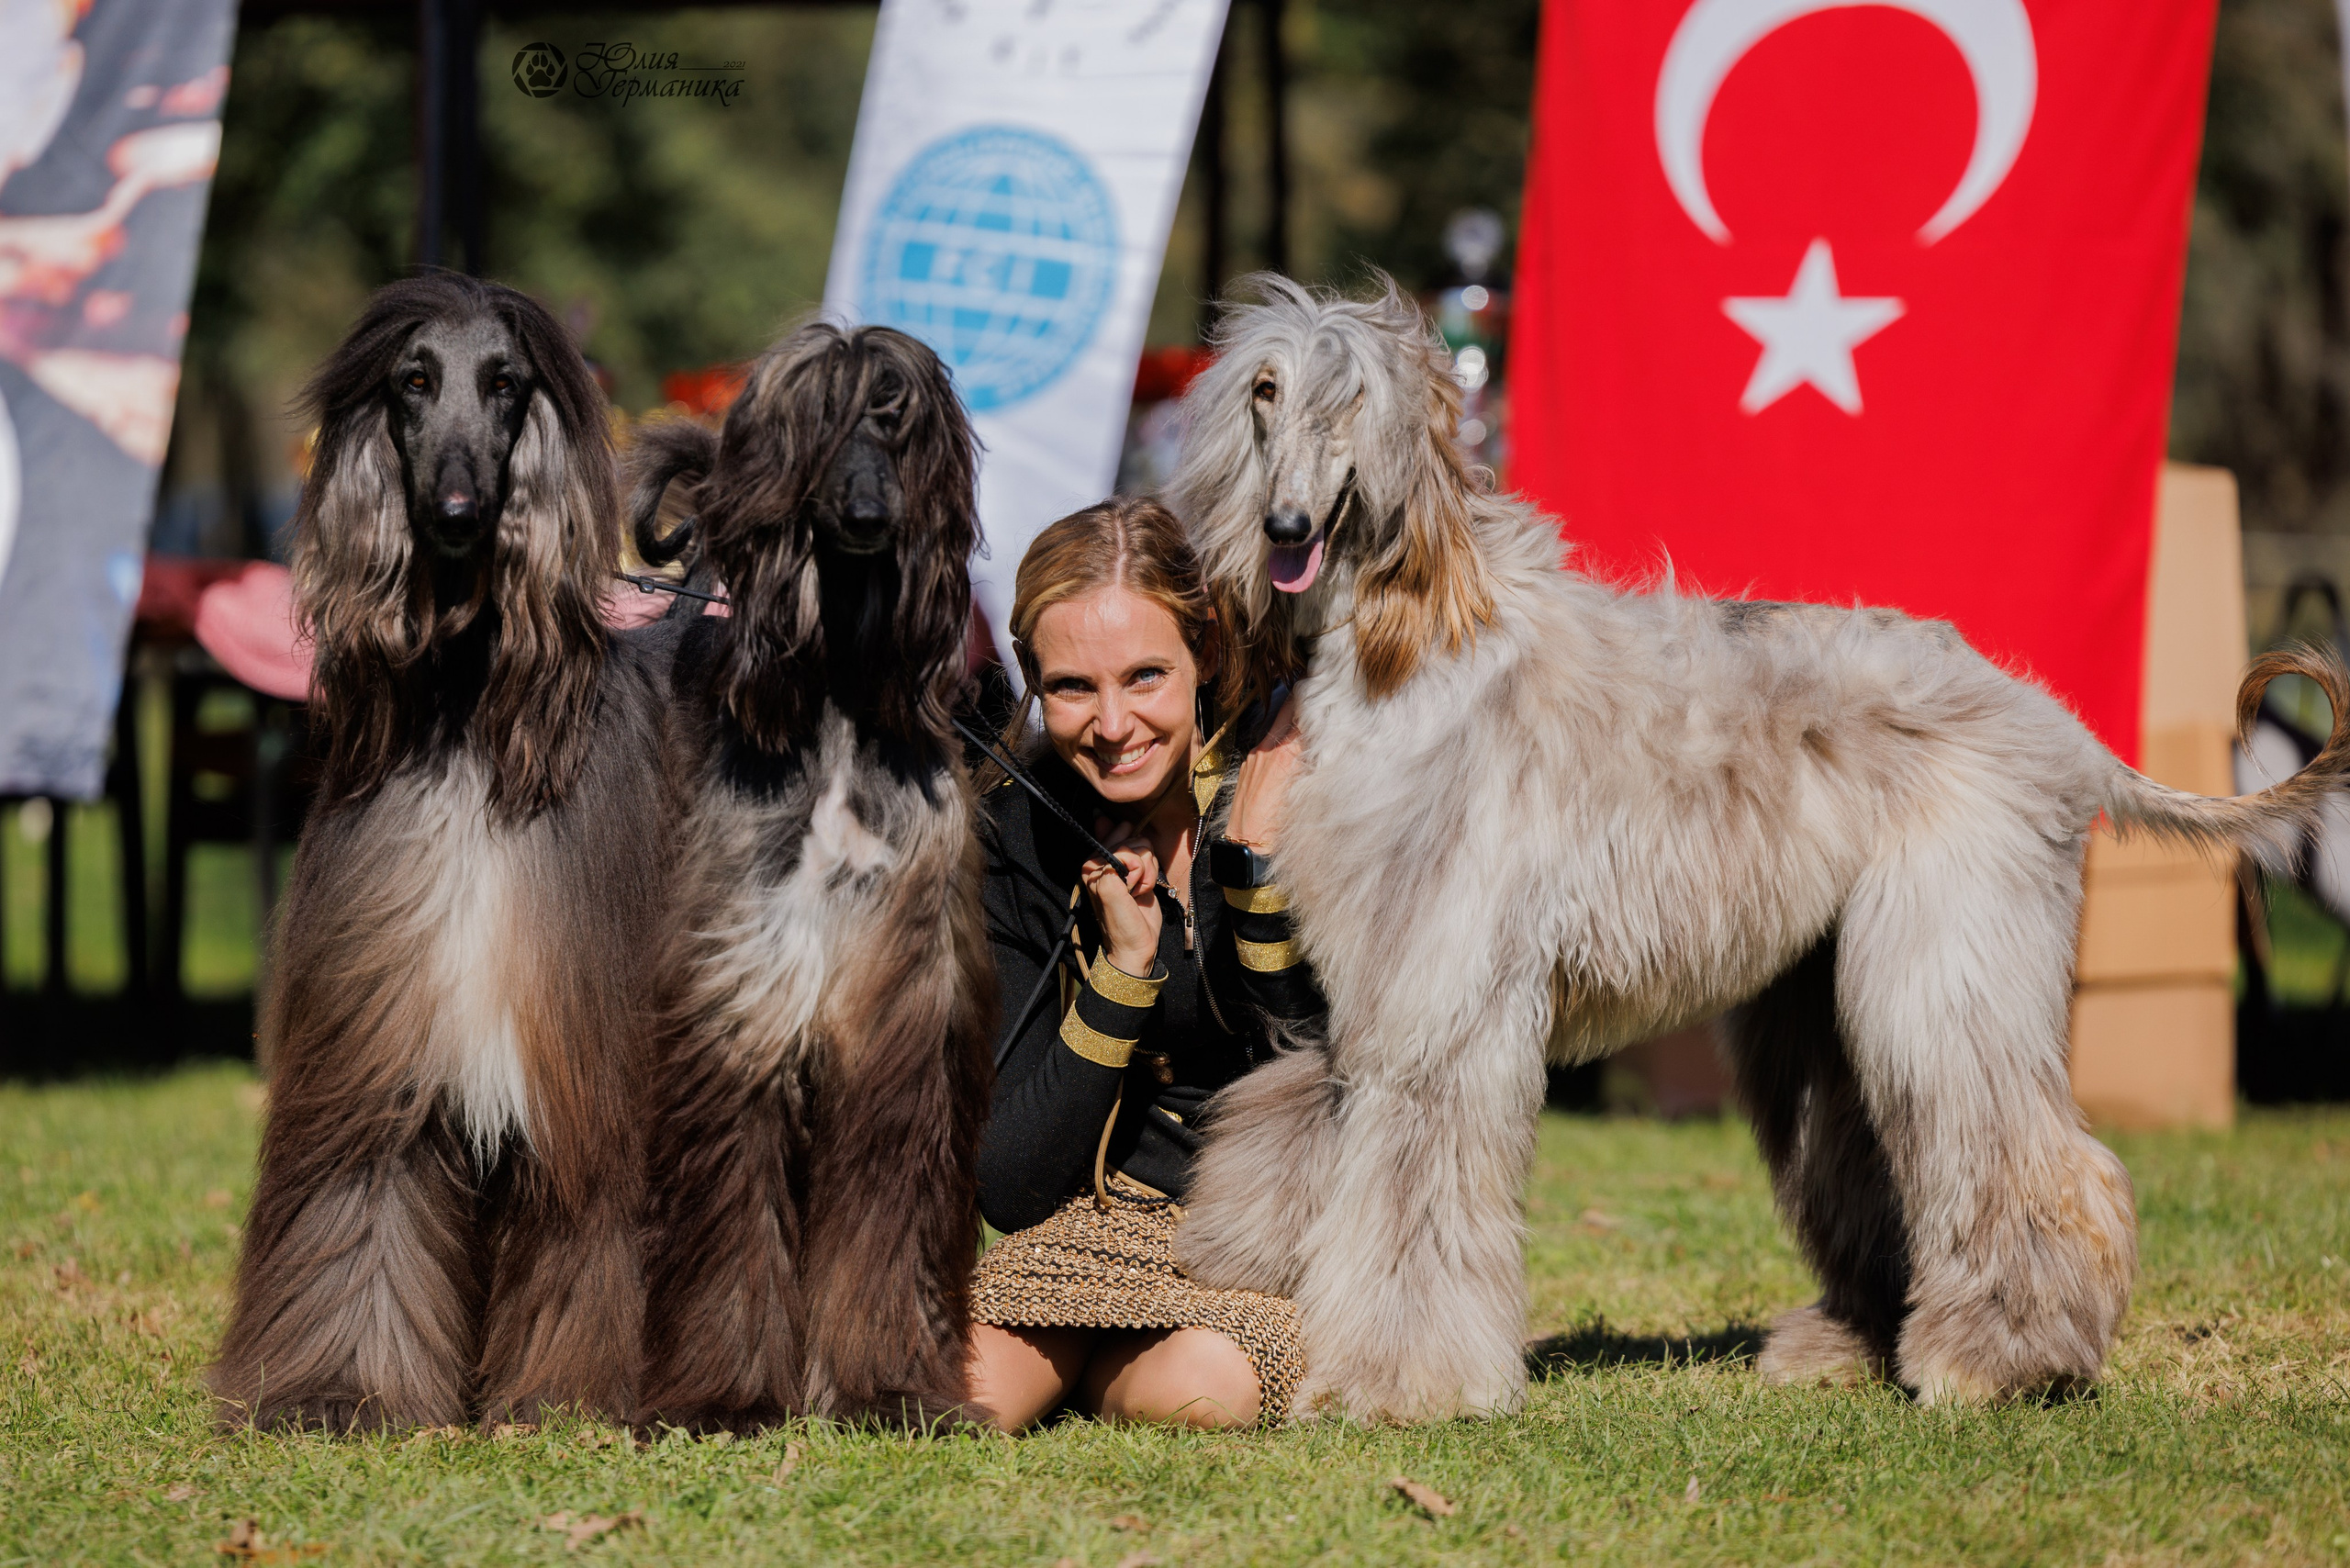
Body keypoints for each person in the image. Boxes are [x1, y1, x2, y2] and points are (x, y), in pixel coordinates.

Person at [967, 496, 1322, 1430]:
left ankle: (1113, 1371)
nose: (1112, 724)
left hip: (1277, 1234)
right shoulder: (1021, 823)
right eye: (1072, 687)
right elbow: (1008, 1183)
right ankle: (1105, 1360)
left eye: (1146, 676)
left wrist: (1254, 880)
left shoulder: (1307, 776)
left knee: (1197, 1393)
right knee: (961, 1395)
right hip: (1102, 1226)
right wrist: (1121, 975)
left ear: (1204, 650)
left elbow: (1328, 1065)